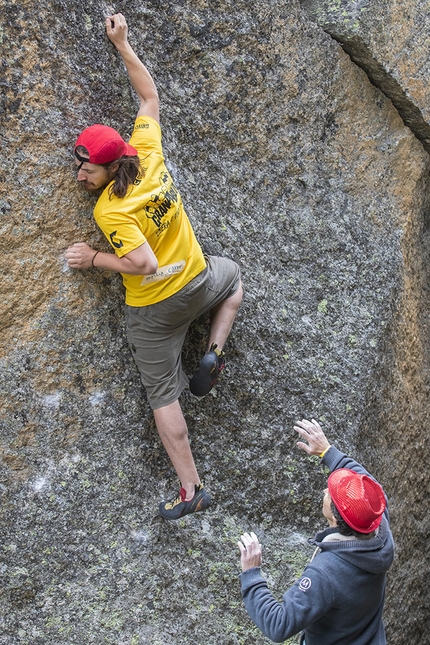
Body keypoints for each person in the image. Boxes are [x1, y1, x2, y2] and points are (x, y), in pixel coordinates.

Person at [65, 13, 242, 520]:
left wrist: (92, 257)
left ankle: (192, 491)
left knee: (164, 396)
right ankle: (212, 352)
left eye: (87, 167)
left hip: (155, 310)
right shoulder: (146, 150)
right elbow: (149, 97)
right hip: (201, 281)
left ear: (108, 168)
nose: (80, 173)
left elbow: (141, 263)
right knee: (235, 279)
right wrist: (122, 44)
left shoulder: (109, 209)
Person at [237, 418, 394, 644]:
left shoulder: (326, 573)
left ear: (334, 514)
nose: (324, 490)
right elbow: (368, 484)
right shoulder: (378, 524)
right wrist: (328, 452)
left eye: (330, 492)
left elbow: (278, 625)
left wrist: (251, 575)